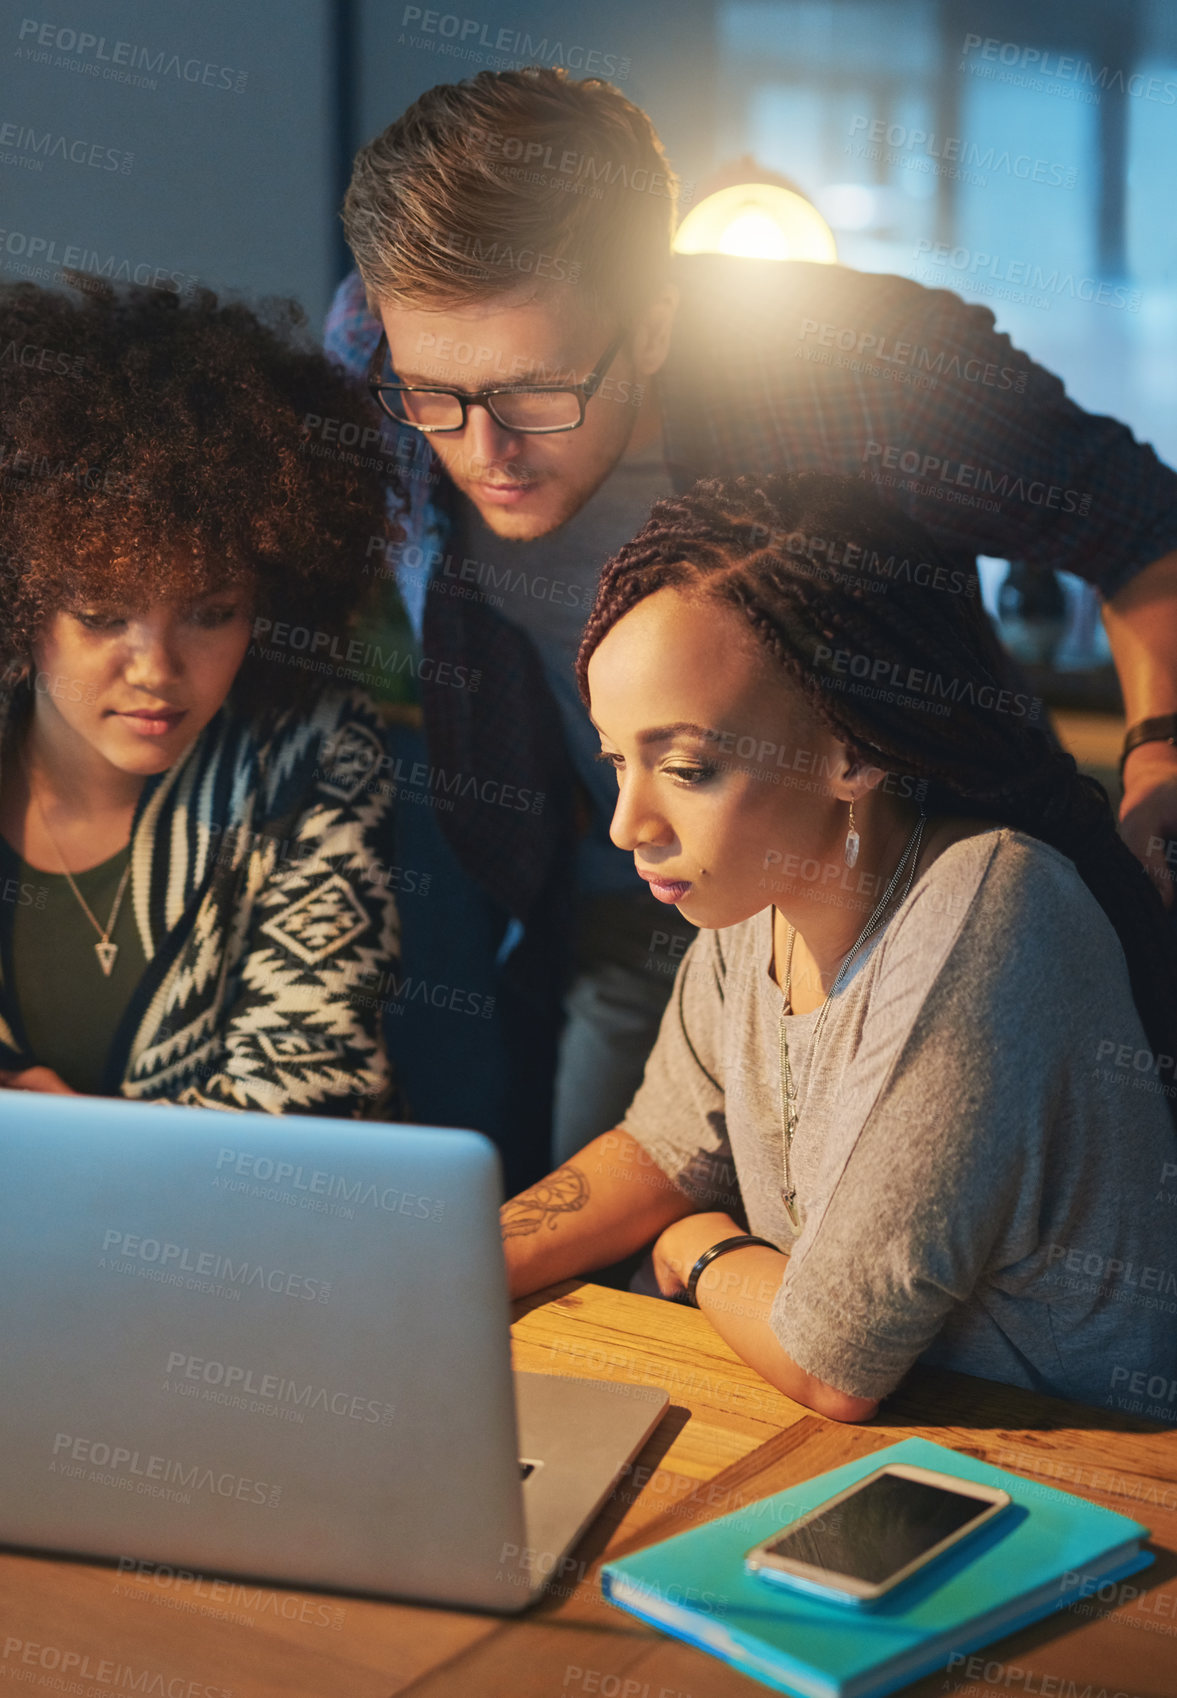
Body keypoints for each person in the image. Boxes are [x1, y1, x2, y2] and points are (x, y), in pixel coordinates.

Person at [329, 66, 1177, 1169]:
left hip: (913, 898)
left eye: (538, 393)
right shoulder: (370, 353)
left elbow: (1143, 530)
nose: (483, 454)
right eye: (436, 395)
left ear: (655, 324)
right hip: (624, 900)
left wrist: (1159, 754)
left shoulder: (860, 370)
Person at [500, 472, 1177, 1421]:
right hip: (895, 1459)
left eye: (687, 768)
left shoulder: (990, 908)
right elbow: (663, 1150)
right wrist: (458, 1264)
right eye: (618, 759)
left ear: (852, 751)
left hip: (1081, 1489)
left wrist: (703, 1249)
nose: (625, 825)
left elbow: (832, 1360)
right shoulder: (753, 895)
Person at [0, 280, 401, 1112]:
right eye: (104, 615)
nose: (155, 667)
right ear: (24, 601)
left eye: (212, 615)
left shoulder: (312, 754)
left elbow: (303, 1106)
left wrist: (46, 1118)